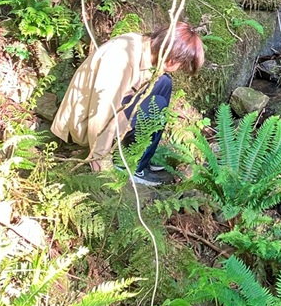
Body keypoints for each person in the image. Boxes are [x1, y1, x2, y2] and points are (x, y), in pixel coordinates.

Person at [51, 22, 204, 186]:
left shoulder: (140, 45)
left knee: (164, 83)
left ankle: (142, 160)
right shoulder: (119, 59)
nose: (179, 68)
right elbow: (102, 109)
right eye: (181, 65)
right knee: (157, 103)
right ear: (171, 61)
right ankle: (129, 165)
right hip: (85, 122)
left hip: (112, 108)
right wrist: (99, 157)